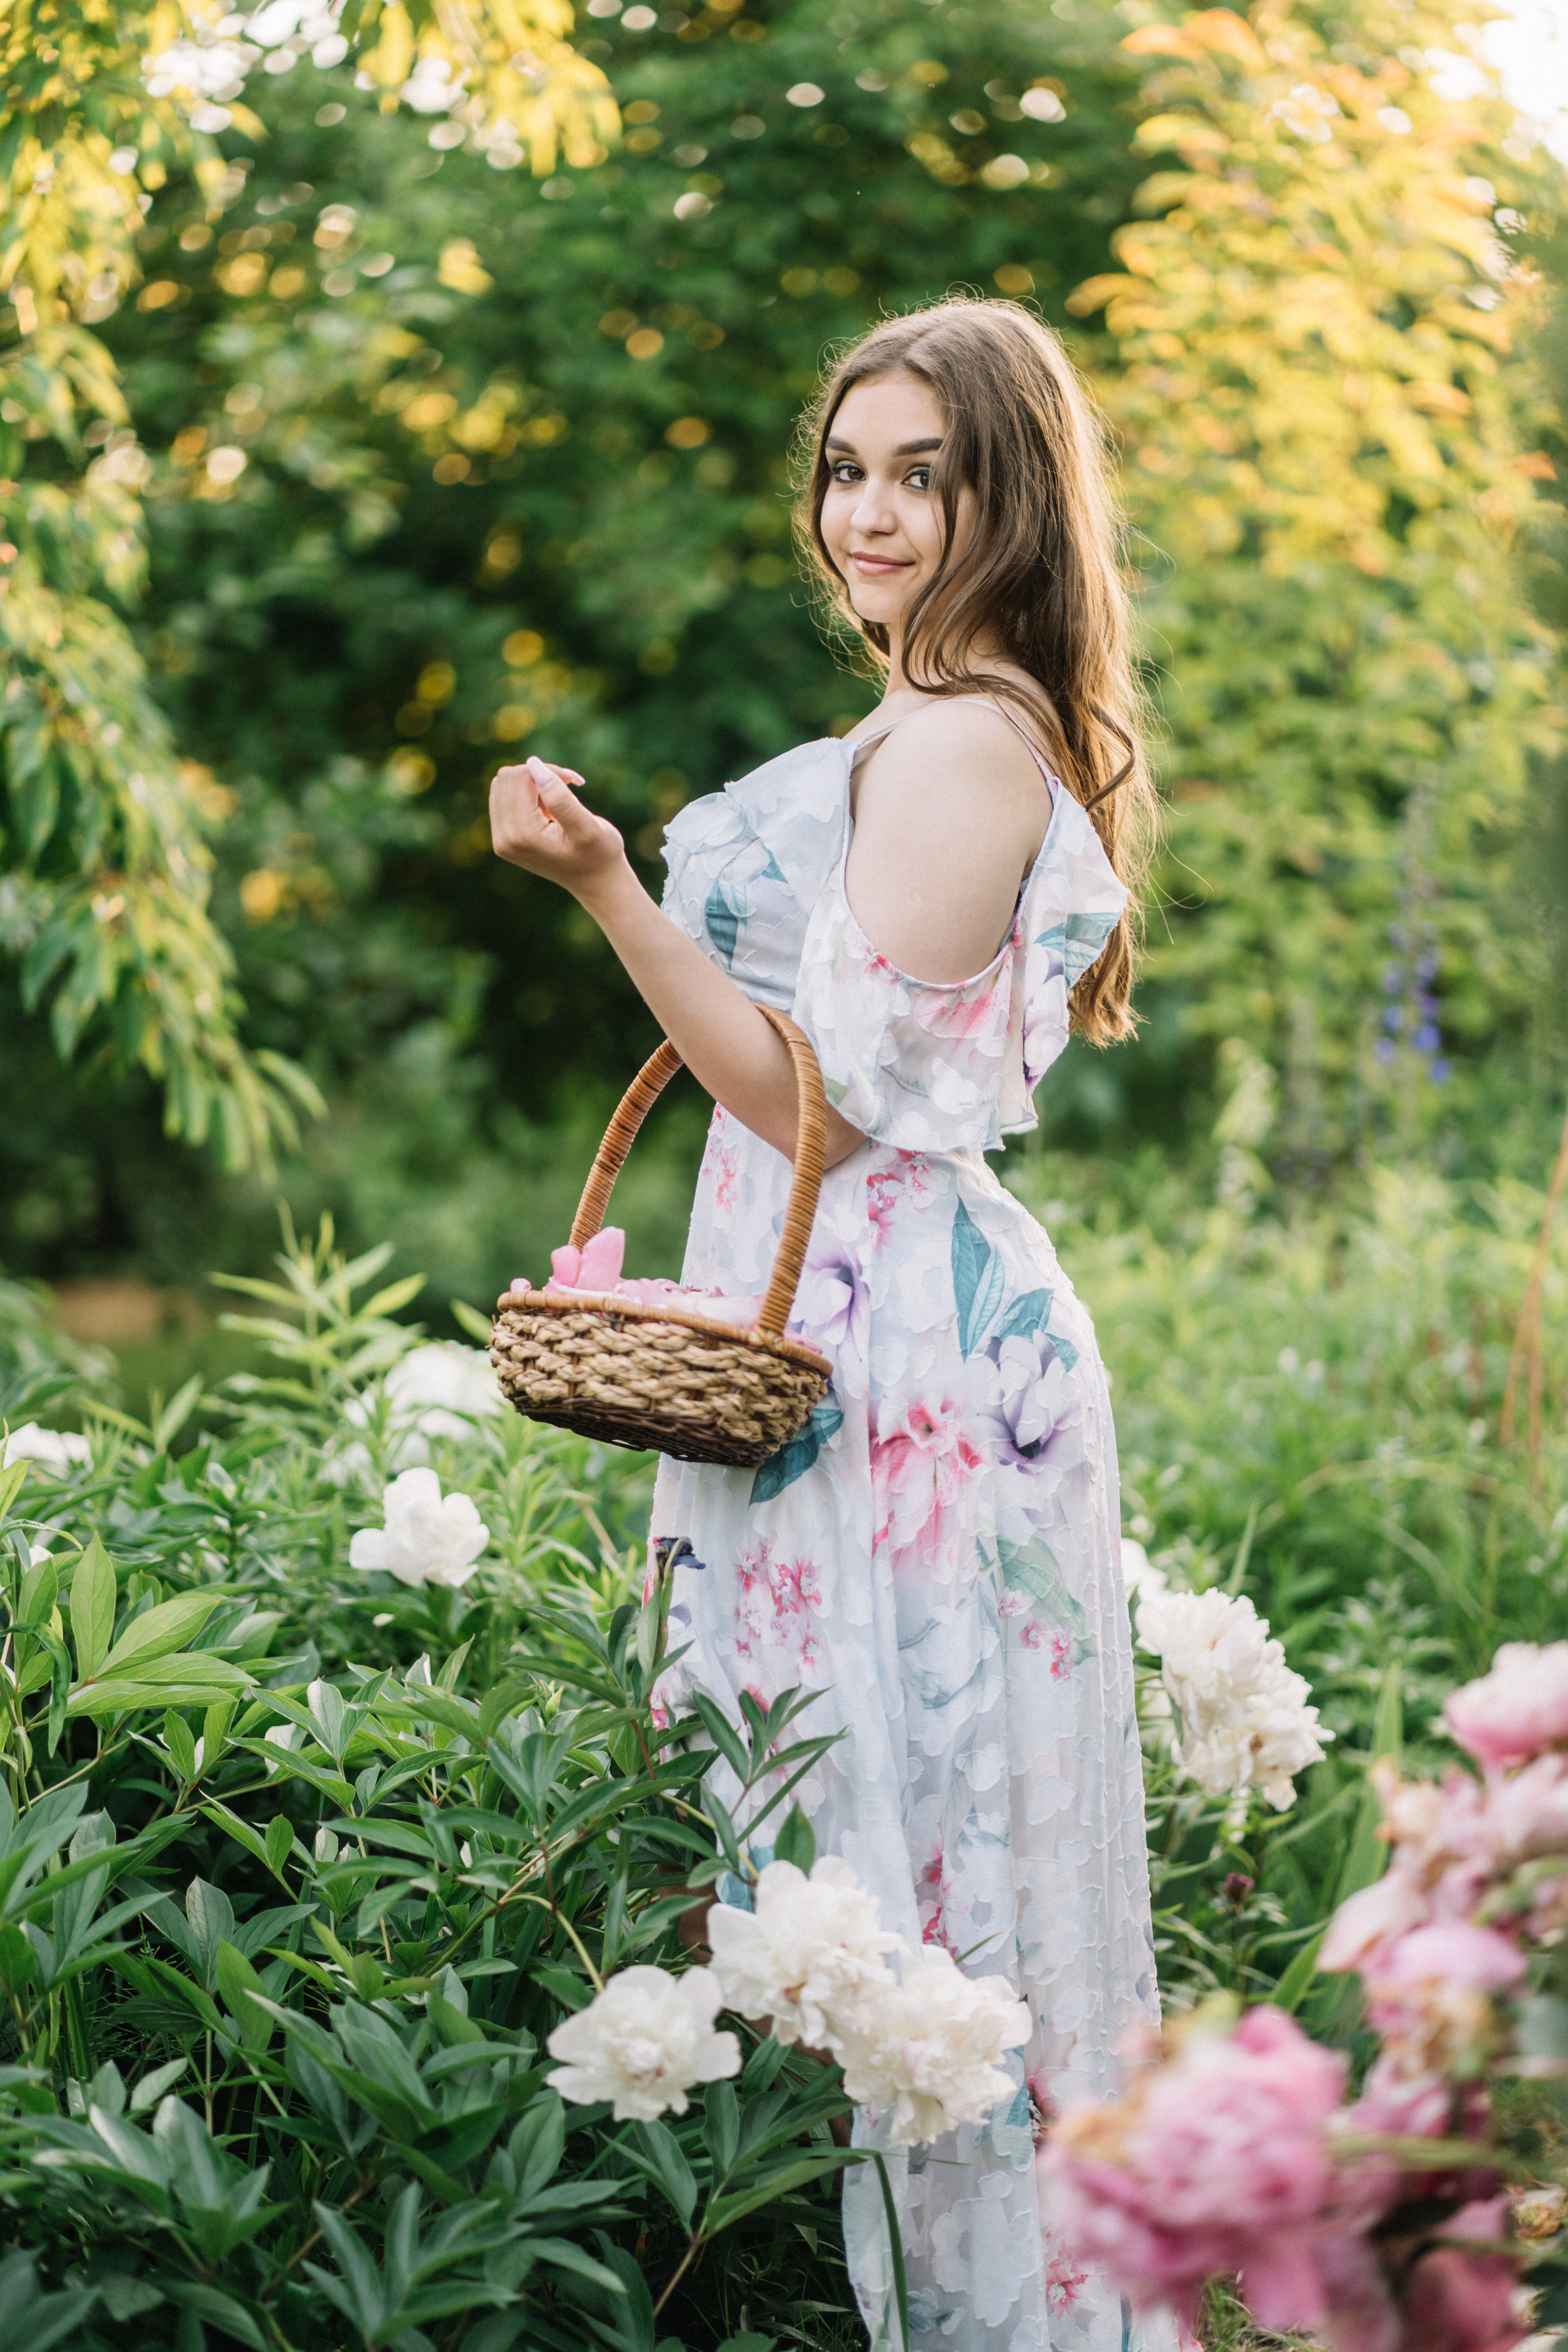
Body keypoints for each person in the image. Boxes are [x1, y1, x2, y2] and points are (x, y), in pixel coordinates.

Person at [490, 298, 1173, 2352]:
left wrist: (613, 887)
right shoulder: (925, 726)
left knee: (927, 1874)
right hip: (858, 1325)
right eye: (849, 467)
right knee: (847, 1848)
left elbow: (819, 1101)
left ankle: (988, 2320)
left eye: (922, 473)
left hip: (909, 1360)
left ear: (1008, 498)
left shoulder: (968, 738)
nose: (867, 513)